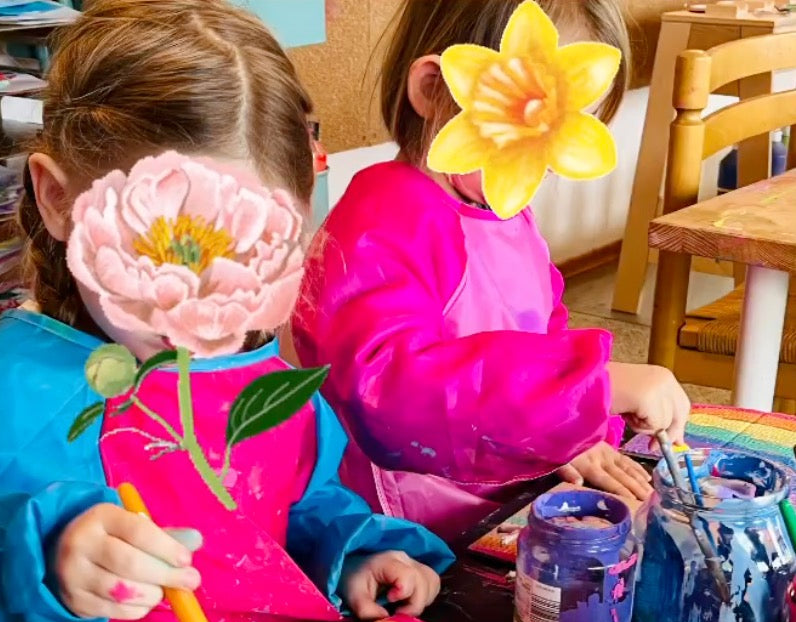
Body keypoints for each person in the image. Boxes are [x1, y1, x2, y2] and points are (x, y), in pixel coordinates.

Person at [0, 0, 452, 622]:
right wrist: (49, 564)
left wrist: (356, 552)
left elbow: (301, 501)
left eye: (250, 264)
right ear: (57, 199)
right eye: (162, 257)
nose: (203, 309)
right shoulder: (13, 388)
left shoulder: (257, 367)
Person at [292, 0, 691, 541]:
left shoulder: (500, 208)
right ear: (434, 90)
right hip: (407, 532)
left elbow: (543, 333)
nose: (550, 163)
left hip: (499, 488)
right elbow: (391, 396)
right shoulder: (382, 221)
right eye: (531, 129)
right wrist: (589, 386)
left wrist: (569, 429)